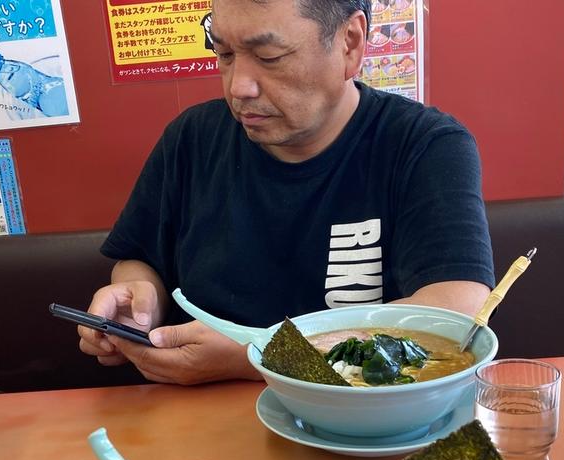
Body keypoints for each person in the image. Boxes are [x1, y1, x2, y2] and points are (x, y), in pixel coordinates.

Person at [79, 0, 495, 385]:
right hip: (197, 422)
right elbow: (139, 258)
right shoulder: (191, 138)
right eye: (223, 53)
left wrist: (256, 357)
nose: (238, 87)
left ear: (350, 43)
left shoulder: (423, 145)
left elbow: (455, 307)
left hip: (359, 424)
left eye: (268, 57)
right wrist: (139, 303)